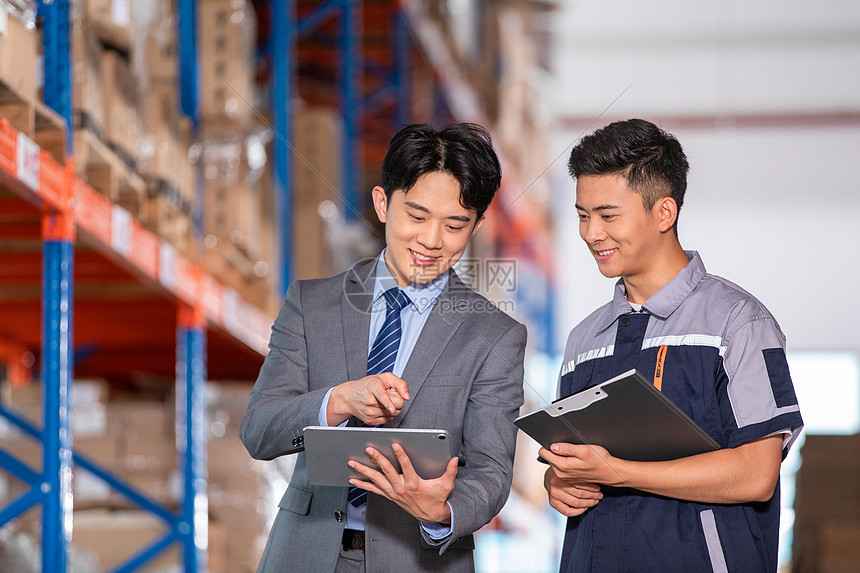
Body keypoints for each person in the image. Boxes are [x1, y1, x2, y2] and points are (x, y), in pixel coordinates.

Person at [240, 123, 527, 573]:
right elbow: (259, 429)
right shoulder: (310, 304)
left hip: (420, 558)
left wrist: (441, 512)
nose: (432, 240)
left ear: (475, 225)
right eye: (416, 216)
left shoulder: (494, 335)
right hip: (305, 555)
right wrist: (337, 401)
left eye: (455, 225)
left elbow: (491, 472)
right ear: (382, 203)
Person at [541, 118, 804, 572]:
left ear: (664, 213)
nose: (590, 233)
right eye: (583, 216)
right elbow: (574, 462)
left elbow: (756, 475)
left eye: (607, 215)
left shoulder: (739, 323)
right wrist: (558, 483)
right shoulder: (584, 339)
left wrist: (620, 472)